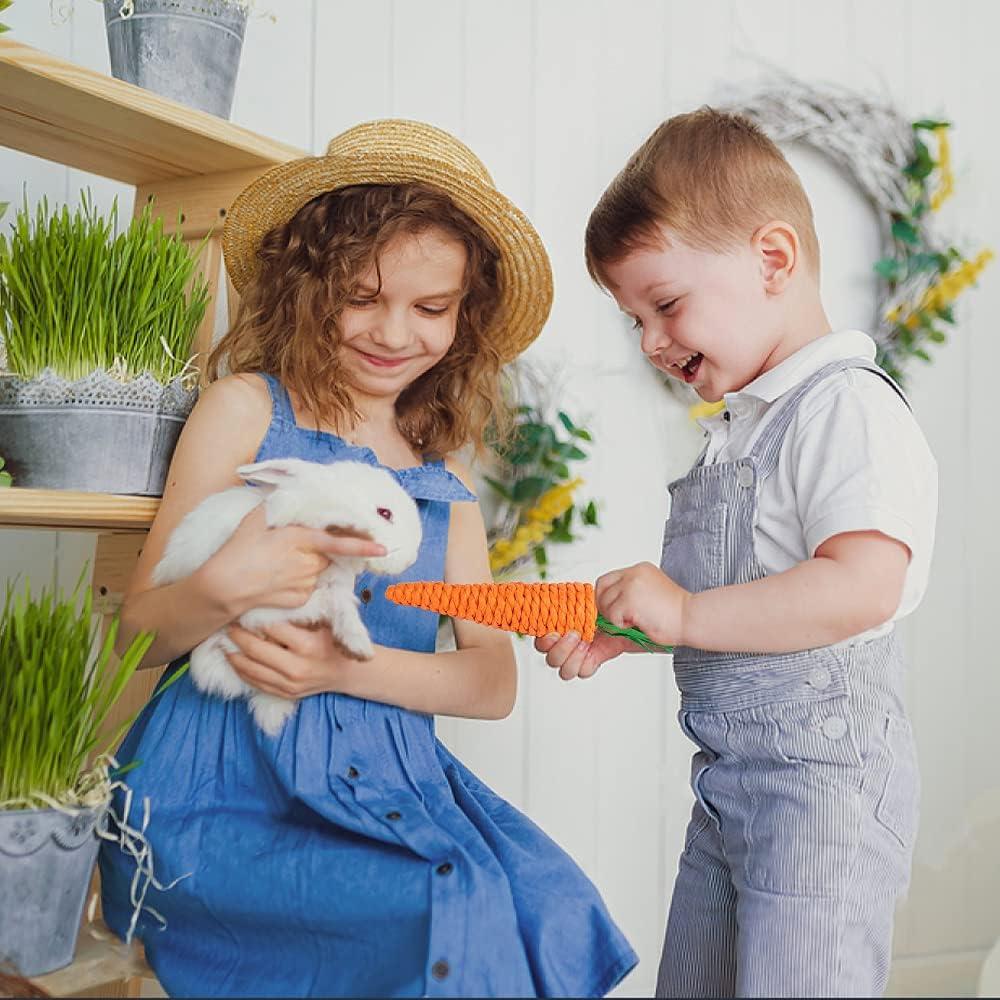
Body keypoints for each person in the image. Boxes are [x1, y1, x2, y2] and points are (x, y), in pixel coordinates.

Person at [99, 119, 638, 999]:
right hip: (224, 788)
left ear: (464, 317)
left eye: (431, 308)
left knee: (550, 903)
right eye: (362, 295)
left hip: (389, 779)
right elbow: (139, 632)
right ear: (310, 290)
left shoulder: (437, 472)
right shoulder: (247, 411)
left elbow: (490, 683)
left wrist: (337, 666)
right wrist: (223, 584)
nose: (395, 332)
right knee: (444, 909)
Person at [536, 107, 937, 998]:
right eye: (634, 318)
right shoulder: (740, 430)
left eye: (666, 305)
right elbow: (754, 601)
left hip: (822, 797)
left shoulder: (846, 409)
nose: (649, 341)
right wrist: (642, 632)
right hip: (731, 790)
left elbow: (864, 585)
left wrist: (680, 611)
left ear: (773, 260)